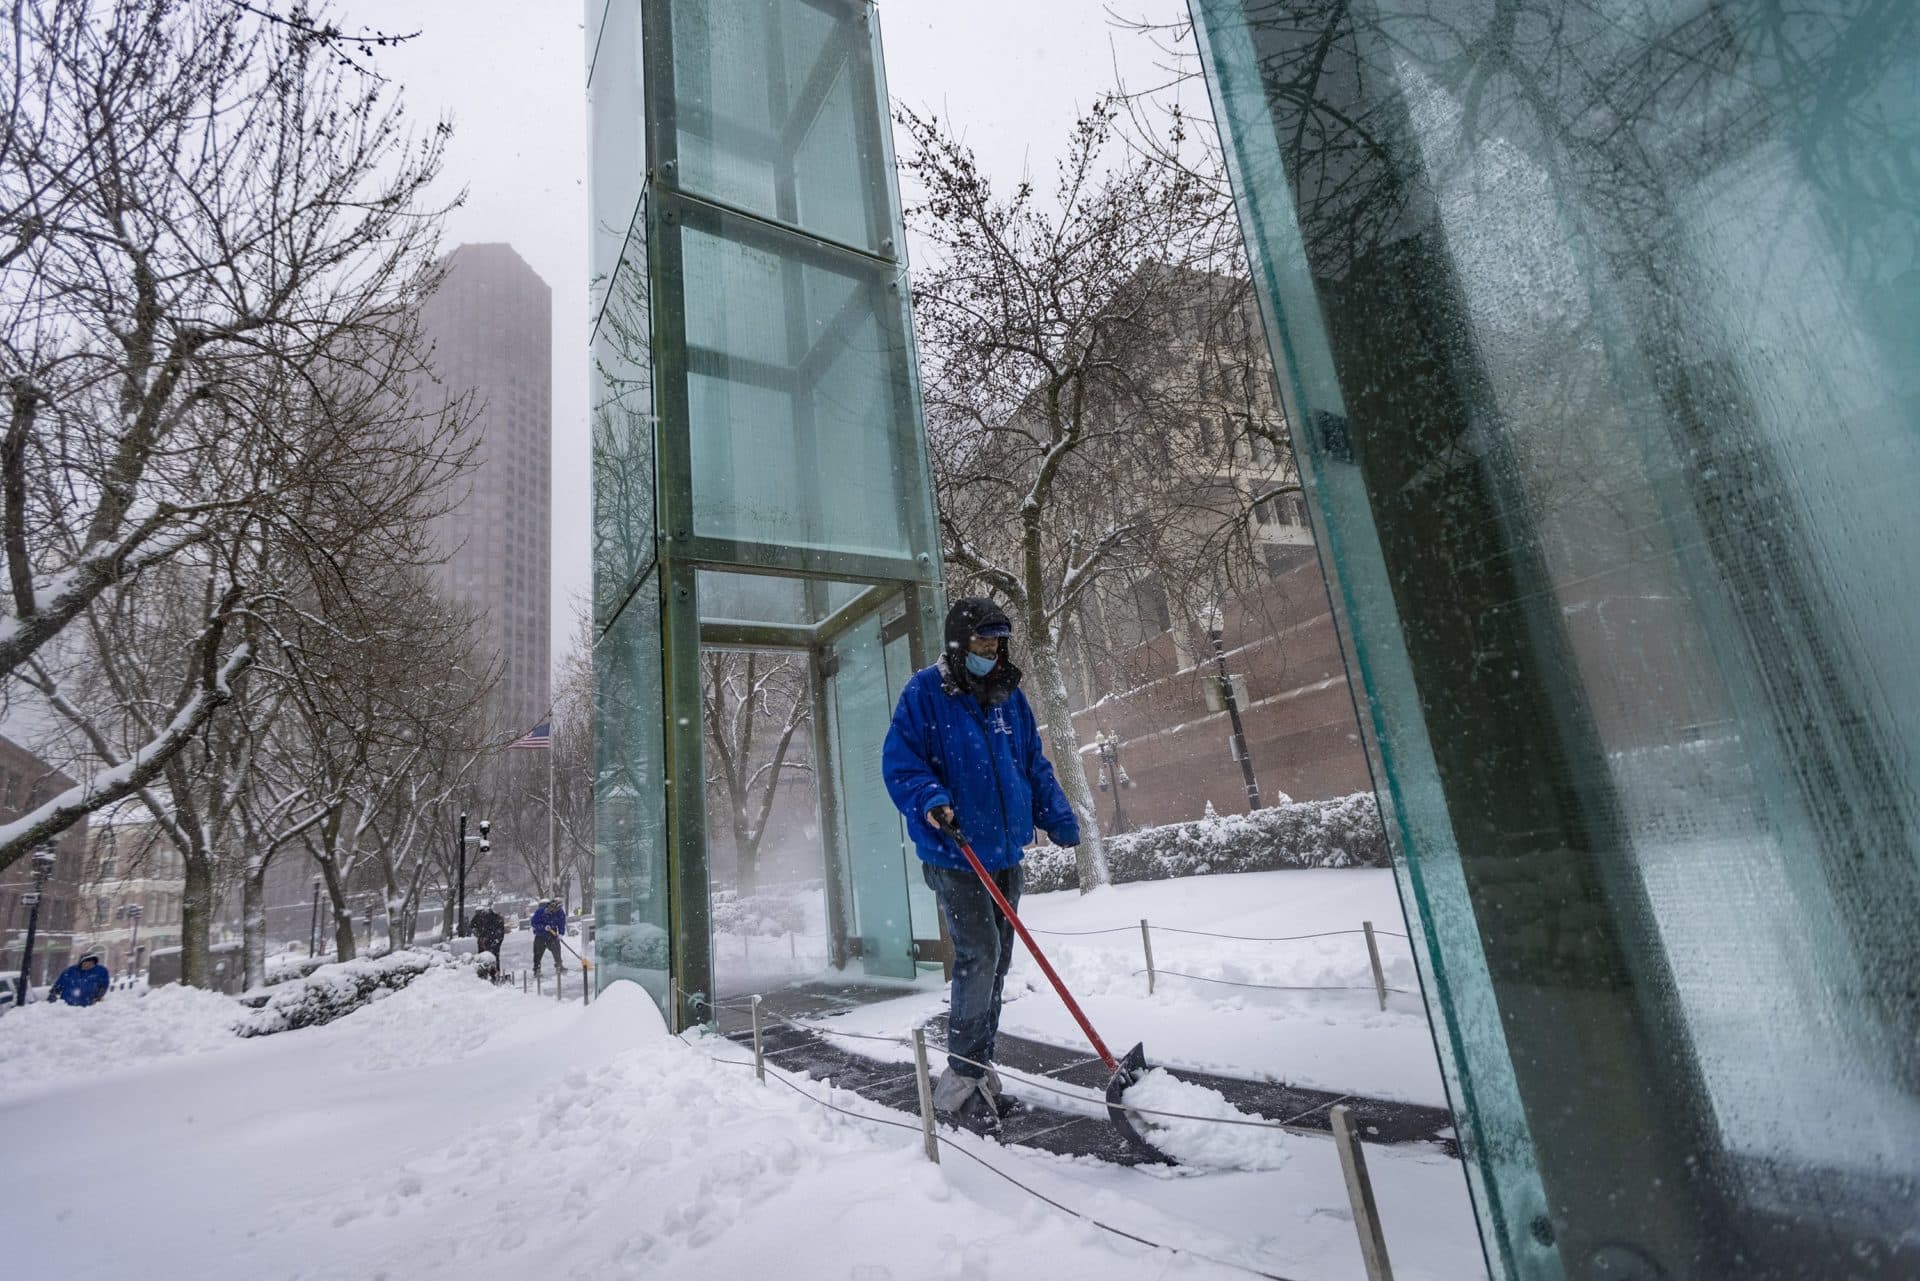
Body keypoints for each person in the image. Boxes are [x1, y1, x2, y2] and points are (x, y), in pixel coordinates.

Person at [882, 597, 1080, 1135]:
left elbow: (1031, 762)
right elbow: (900, 763)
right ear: (957, 643)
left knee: (997, 962)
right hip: (956, 851)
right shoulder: (925, 693)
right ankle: (960, 1081)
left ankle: (977, 1068)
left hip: (1004, 852)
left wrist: (1056, 815)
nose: (991, 652)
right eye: (981, 643)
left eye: (997, 643)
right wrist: (930, 797)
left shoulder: (1008, 696)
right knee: (979, 956)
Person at [469, 904, 507, 980]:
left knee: (487, 958)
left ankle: (490, 975)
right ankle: (493, 975)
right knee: (491, 958)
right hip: (488, 941)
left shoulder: (491, 919)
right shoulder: (493, 918)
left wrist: (483, 937)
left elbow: (496, 933)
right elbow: (498, 933)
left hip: (489, 941)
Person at [530, 898, 566, 978]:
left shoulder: (560, 912)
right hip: (540, 935)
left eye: (558, 909)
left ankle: (559, 965)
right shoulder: (541, 911)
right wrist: (543, 927)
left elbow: (561, 923)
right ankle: (537, 969)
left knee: (557, 950)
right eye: (555, 908)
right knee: (538, 953)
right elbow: (533, 923)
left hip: (552, 934)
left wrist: (561, 933)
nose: (556, 910)